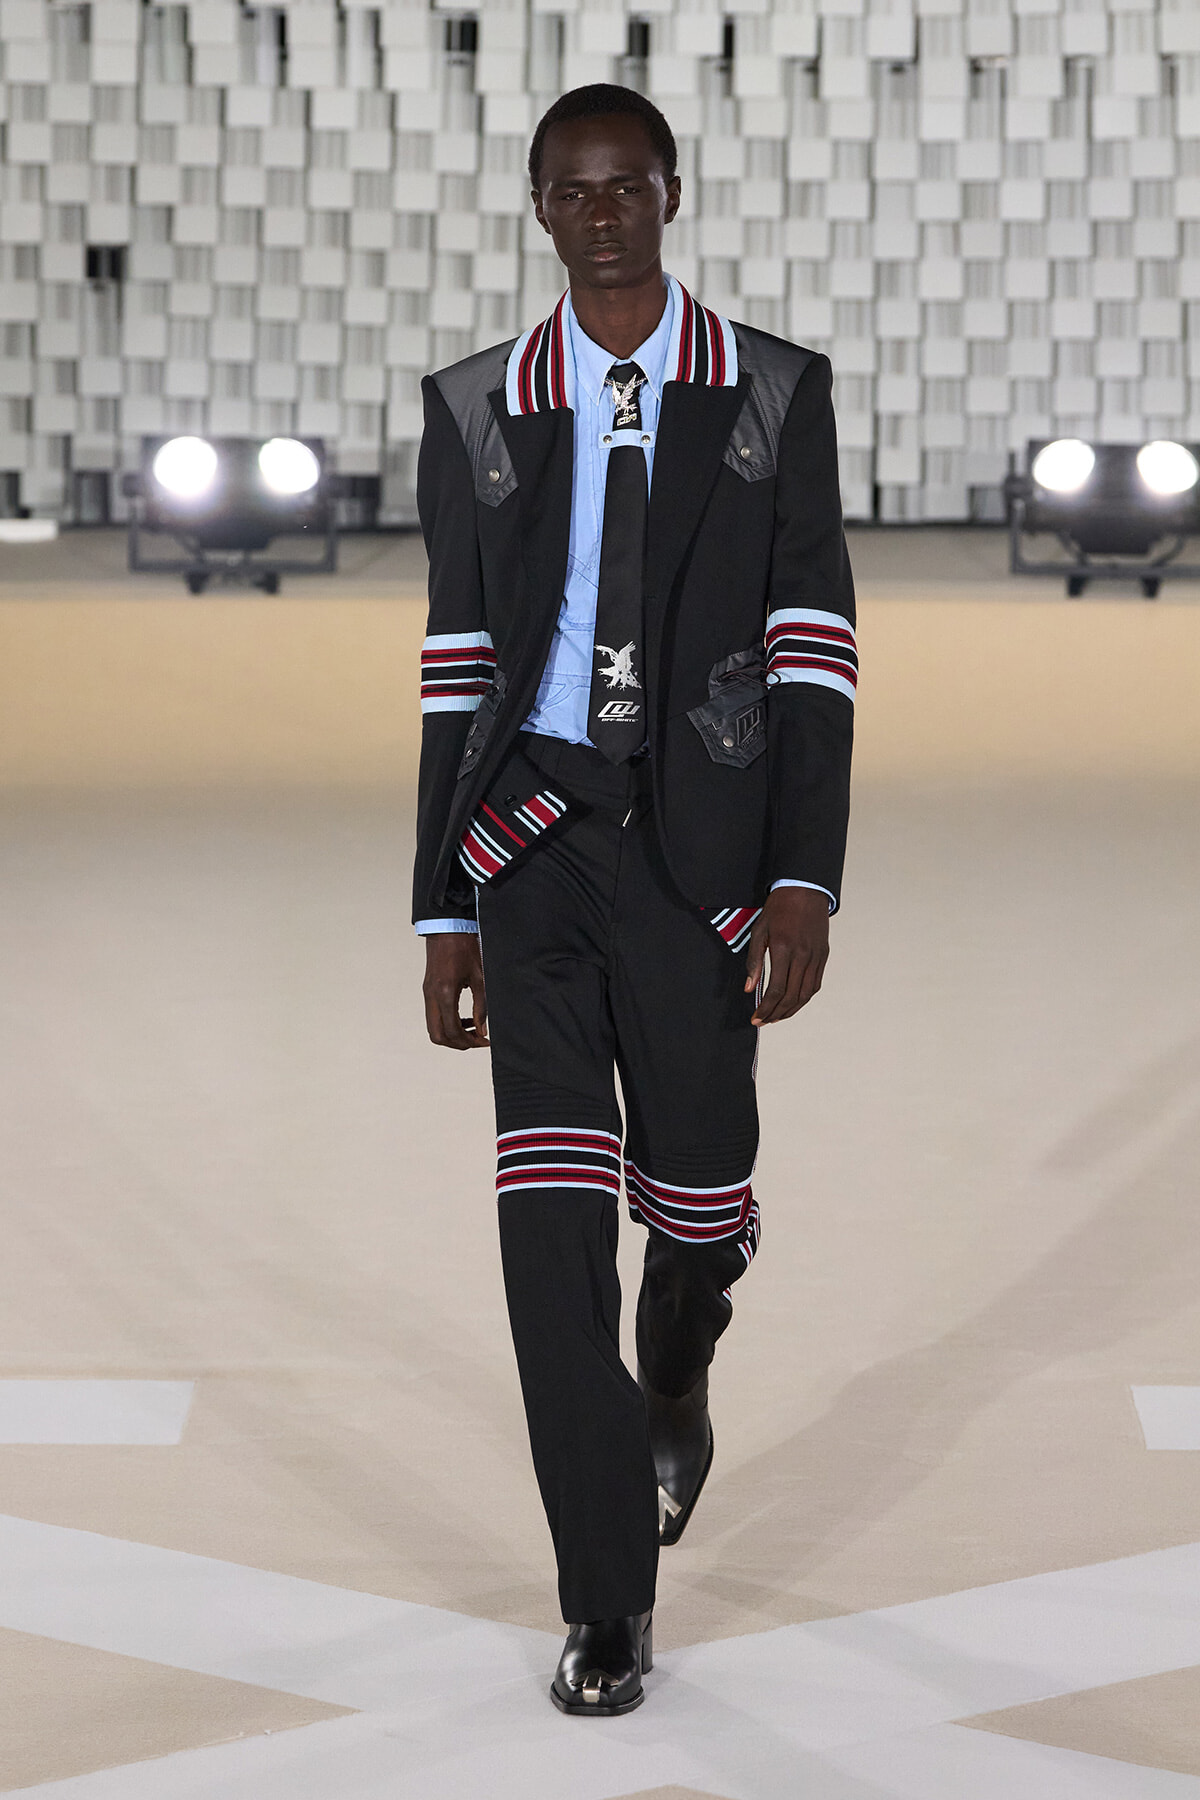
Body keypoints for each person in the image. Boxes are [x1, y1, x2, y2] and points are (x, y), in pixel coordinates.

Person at [413, 83, 855, 1715]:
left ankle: (681, 1365)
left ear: (673, 194)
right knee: (547, 1234)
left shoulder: (771, 392)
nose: (602, 216)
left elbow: (813, 641)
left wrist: (802, 875)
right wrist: (442, 910)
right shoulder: (477, 407)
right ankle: (606, 1601)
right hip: (531, 843)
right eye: (572, 191)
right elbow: (458, 660)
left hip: (700, 861)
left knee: (700, 1203)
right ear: (539, 207)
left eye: (628, 187)